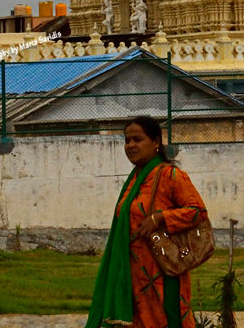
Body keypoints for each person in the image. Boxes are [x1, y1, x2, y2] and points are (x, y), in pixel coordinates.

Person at [85, 116, 208, 328]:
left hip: (161, 271)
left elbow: (197, 211)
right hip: (131, 274)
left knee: (165, 320)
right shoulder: (134, 180)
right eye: (127, 140)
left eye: (137, 139)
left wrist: (161, 218)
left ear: (156, 142)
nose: (130, 145)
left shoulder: (170, 175)